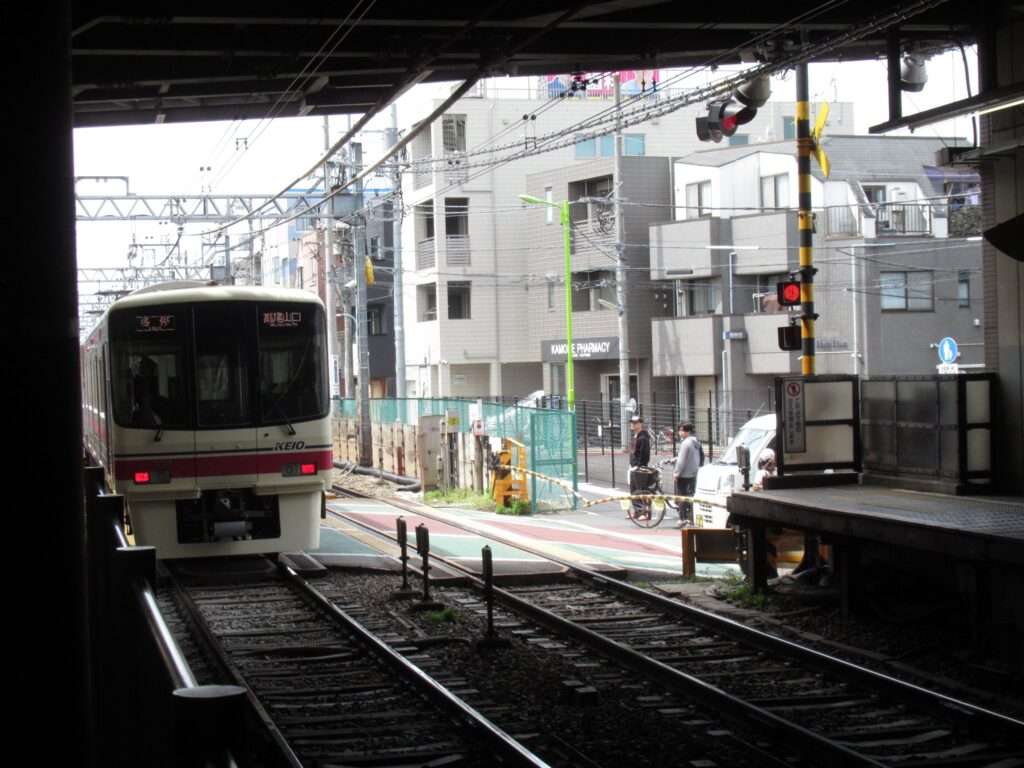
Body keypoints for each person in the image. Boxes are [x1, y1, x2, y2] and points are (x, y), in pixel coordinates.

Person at [673, 422, 701, 528]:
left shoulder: (686, 443)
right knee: (690, 495)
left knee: (681, 496)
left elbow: (681, 461)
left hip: (684, 474)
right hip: (693, 473)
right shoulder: (696, 442)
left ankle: (682, 519)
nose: (680, 432)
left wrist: (676, 473)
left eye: (682, 430)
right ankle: (690, 518)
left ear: (687, 432)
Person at [627, 415, 654, 516]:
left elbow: (644, 454)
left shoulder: (643, 438)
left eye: (635, 423)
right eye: (632, 423)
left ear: (640, 424)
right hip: (634, 467)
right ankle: (638, 512)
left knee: (640, 490)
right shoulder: (636, 436)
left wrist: (639, 465)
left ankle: (644, 513)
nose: (632, 425)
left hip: (639, 468)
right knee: (634, 490)